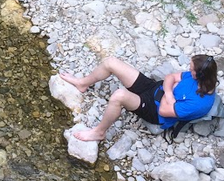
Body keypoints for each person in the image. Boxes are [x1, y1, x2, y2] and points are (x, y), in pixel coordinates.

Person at [59, 55, 218, 142]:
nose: (188, 71)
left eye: (191, 70)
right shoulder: (196, 76)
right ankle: (82, 83)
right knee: (111, 62)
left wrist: (169, 90)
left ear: (201, 75)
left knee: (119, 96)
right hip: (153, 88)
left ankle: (98, 132)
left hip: (154, 110)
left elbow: (163, 110)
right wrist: (170, 93)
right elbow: (170, 77)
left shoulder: (199, 103)